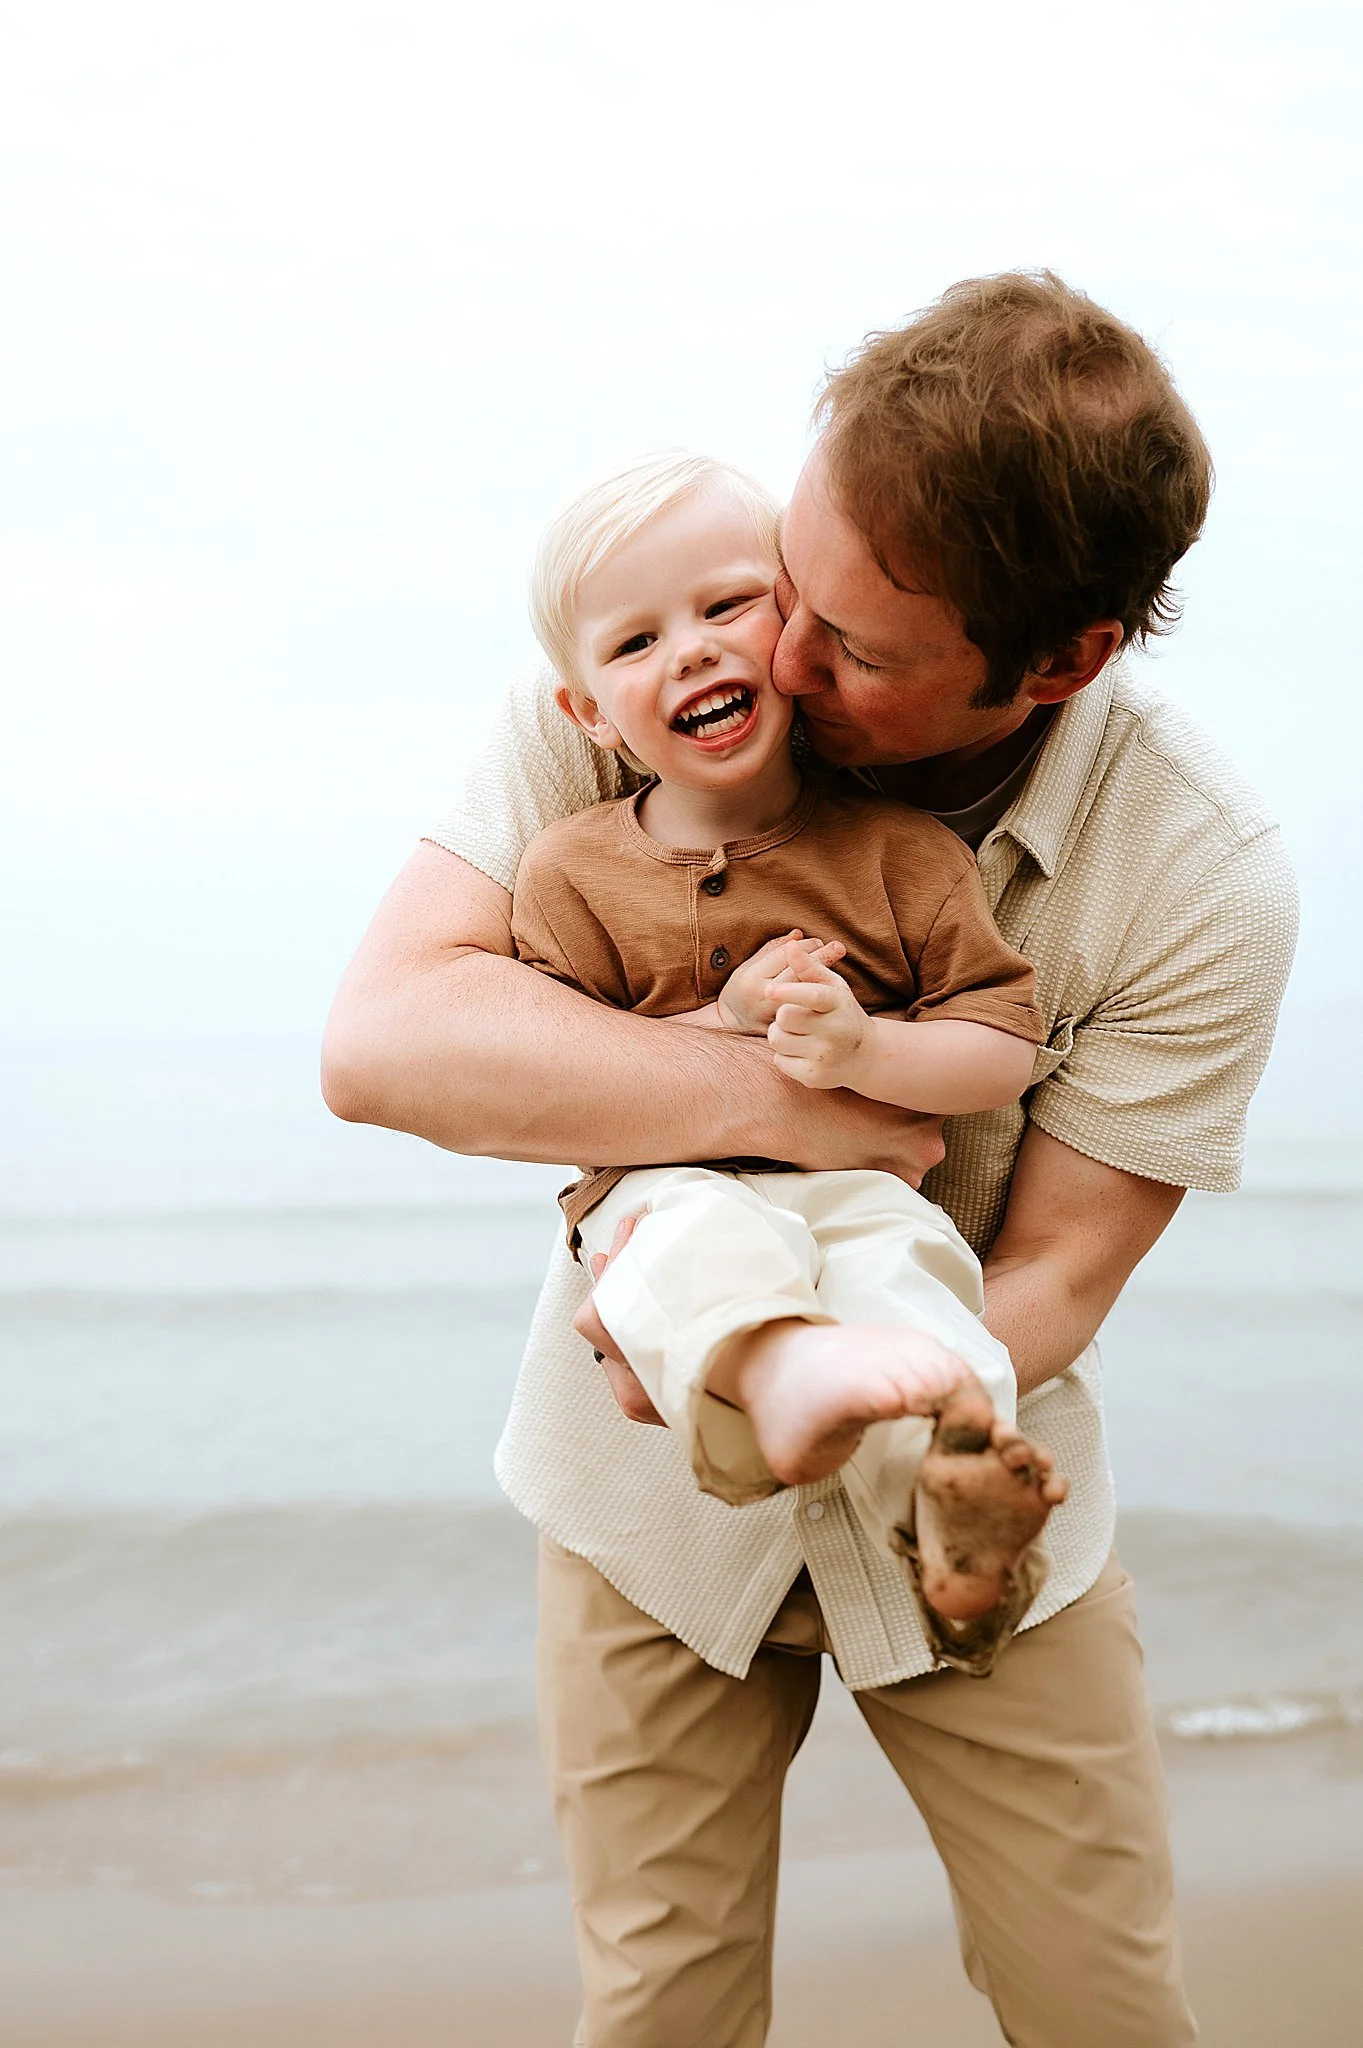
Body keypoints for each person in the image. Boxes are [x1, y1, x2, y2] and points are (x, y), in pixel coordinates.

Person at [323, 271, 1298, 2046]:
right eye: (793, 580)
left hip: (969, 1461)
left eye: (846, 645)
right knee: (661, 2012)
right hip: (643, 1482)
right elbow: (384, 1041)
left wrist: (889, 1396)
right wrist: (780, 1118)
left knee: (1101, 2000)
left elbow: (1061, 1274)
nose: (761, 656)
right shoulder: (622, 688)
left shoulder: (1196, 874)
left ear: (1056, 662)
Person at [514, 447, 1067, 1643]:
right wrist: (721, 1028)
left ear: (792, 619)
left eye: (725, 606)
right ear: (586, 712)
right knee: (687, 1248)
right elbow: (549, 1075)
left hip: (855, 1188)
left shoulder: (899, 853)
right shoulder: (572, 870)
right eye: (635, 642)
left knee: (908, 1281)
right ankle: (781, 1372)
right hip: (660, 1190)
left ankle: (950, 1507)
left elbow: (996, 1049)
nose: (695, 649)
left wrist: (863, 1048)